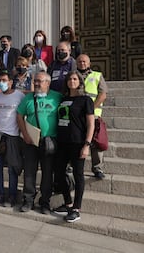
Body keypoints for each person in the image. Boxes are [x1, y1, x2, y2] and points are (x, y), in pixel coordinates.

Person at [17, 72, 62, 214]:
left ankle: (45, 202)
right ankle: (28, 200)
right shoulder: (28, 98)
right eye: (35, 81)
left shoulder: (57, 97)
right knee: (29, 172)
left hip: (49, 142)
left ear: (48, 83)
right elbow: (19, 116)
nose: (36, 83)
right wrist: (25, 135)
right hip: (30, 141)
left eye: (40, 81)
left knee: (48, 173)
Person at [53, 71, 95, 223]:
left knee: (78, 175)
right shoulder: (63, 99)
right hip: (62, 142)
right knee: (58, 172)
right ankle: (68, 203)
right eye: (70, 79)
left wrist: (87, 144)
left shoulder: (85, 100)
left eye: (75, 79)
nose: (72, 81)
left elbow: (91, 123)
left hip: (78, 142)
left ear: (80, 81)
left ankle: (76, 208)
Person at [0, 70, 25, 206]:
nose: (1, 83)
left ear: (11, 82)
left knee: (12, 168)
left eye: (4, 80)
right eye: (0, 80)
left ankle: (12, 196)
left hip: (13, 135)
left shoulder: (20, 96)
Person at [76, 54, 108, 179]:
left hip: (93, 115)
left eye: (84, 61)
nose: (82, 63)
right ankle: (72, 165)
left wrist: (91, 108)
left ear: (89, 63)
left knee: (95, 143)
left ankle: (97, 168)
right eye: (79, 61)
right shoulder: (73, 76)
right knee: (76, 141)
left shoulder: (97, 75)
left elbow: (103, 94)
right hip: (77, 115)